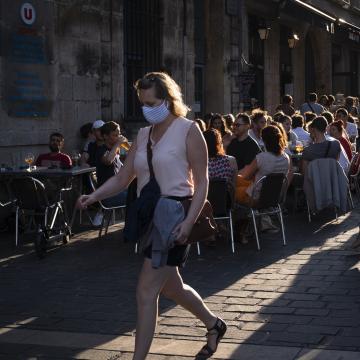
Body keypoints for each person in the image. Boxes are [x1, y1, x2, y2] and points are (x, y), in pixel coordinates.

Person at [77, 72, 227, 359]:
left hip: (174, 213)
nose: (146, 108)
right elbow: (123, 178)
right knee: (173, 287)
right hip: (149, 214)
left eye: (152, 101)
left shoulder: (188, 129)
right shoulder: (143, 135)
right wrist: (94, 195)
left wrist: (189, 221)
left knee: (146, 291)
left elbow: (202, 181)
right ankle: (214, 324)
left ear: (168, 100)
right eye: (142, 103)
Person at [235, 125, 292, 205]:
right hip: (275, 197)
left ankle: (232, 215)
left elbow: (246, 176)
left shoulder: (261, 157)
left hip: (255, 197)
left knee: (233, 188)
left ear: (264, 140)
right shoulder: (286, 158)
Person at [95, 121, 128, 207]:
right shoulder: (101, 150)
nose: (118, 138)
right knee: (138, 197)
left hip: (117, 190)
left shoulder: (115, 151)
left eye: (119, 134)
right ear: (105, 136)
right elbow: (108, 160)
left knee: (144, 191)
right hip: (107, 195)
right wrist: (117, 144)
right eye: (115, 135)